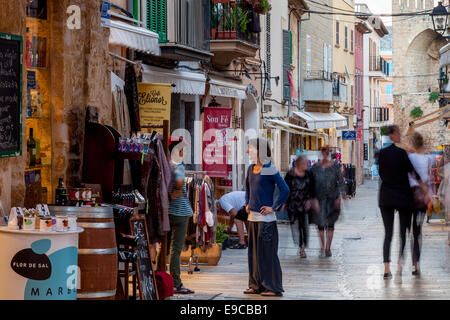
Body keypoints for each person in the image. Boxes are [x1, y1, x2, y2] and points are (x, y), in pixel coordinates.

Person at [243, 138, 290, 297]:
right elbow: (248, 188)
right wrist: (247, 203)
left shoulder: (270, 168)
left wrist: (274, 207)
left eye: (249, 148)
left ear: (259, 150)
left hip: (267, 221)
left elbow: (285, 190)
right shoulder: (250, 169)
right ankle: (255, 285)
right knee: (253, 254)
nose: (247, 151)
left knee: (268, 254)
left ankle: (273, 287)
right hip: (252, 219)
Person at [377, 125, 423, 281]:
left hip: (386, 196)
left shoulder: (381, 154)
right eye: (397, 133)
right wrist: (423, 186)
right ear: (392, 135)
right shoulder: (402, 153)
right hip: (403, 196)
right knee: (403, 233)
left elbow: (382, 174)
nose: (399, 136)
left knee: (388, 233)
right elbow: (413, 172)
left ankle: (386, 269)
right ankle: (399, 265)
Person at [165, 137, 194, 294]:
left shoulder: (167, 165)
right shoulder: (179, 166)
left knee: (166, 247)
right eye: (182, 149)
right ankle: (176, 283)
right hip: (180, 212)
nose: (184, 152)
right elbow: (179, 182)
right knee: (175, 250)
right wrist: (176, 191)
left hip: (168, 211)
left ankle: (163, 277)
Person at [310, 145, 344, 258]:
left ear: (329, 154)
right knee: (320, 225)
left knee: (330, 225)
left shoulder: (335, 167)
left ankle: (328, 249)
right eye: (323, 152)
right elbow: (310, 183)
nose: (325, 154)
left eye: (327, 152)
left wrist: (340, 196)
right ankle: (322, 246)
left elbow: (340, 182)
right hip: (319, 200)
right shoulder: (315, 168)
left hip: (332, 199)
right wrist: (312, 199)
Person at [407, 132, 433, 276]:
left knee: (409, 232)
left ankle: (411, 262)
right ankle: (416, 264)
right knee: (418, 232)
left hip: (410, 197)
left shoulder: (409, 158)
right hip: (422, 199)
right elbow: (429, 180)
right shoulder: (428, 159)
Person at [284, 155, 315, 258]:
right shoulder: (290, 174)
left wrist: (311, 200)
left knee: (304, 226)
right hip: (292, 204)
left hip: (305, 204)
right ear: (298, 164)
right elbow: (285, 189)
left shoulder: (309, 174)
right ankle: (300, 245)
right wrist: (284, 203)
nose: (306, 165)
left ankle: (303, 247)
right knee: (295, 227)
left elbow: (313, 188)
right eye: (304, 163)